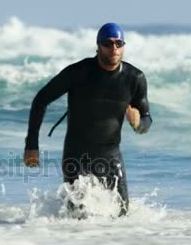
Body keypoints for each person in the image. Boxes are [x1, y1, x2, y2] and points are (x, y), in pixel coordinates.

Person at [23, 22, 152, 216]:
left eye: (119, 43)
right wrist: (31, 145)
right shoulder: (79, 72)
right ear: (98, 46)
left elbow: (146, 121)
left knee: (123, 215)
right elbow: (41, 100)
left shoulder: (134, 78)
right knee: (77, 218)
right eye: (108, 43)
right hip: (76, 154)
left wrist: (137, 123)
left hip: (111, 155)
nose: (114, 48)